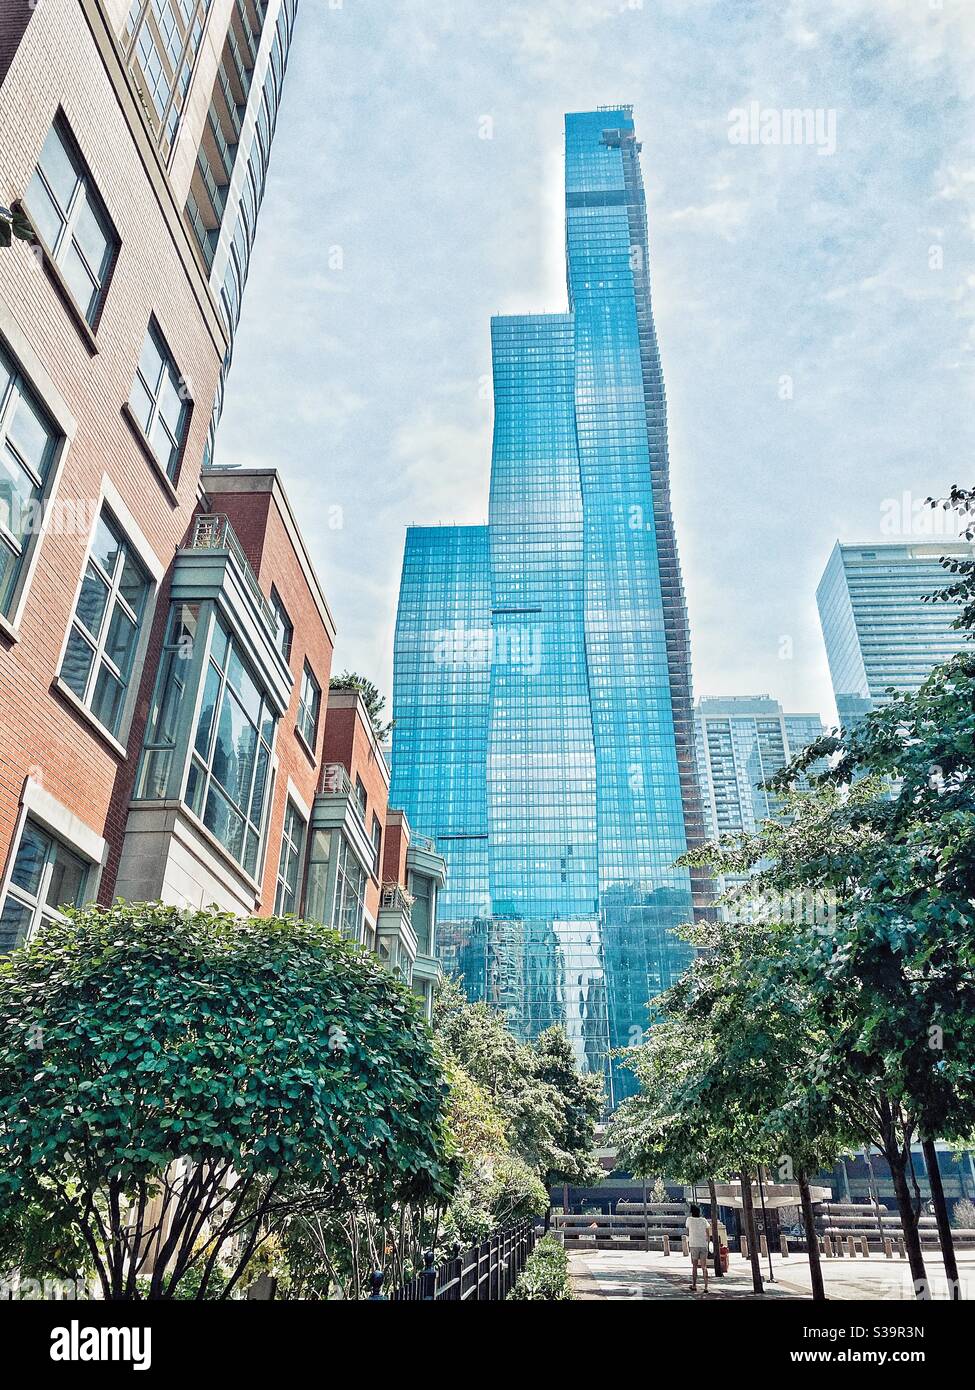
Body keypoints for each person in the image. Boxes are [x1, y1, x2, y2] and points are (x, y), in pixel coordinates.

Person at [686, 1203, 710, 1293]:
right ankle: (706, 1287)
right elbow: (707, 1232)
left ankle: (694, 1285)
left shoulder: (689, 1220)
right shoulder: (703, 1220)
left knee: (695, 1266)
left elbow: (688, 1230)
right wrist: (707, 1241)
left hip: (693, 1244)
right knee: (704, 1266)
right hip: (703, 1244)